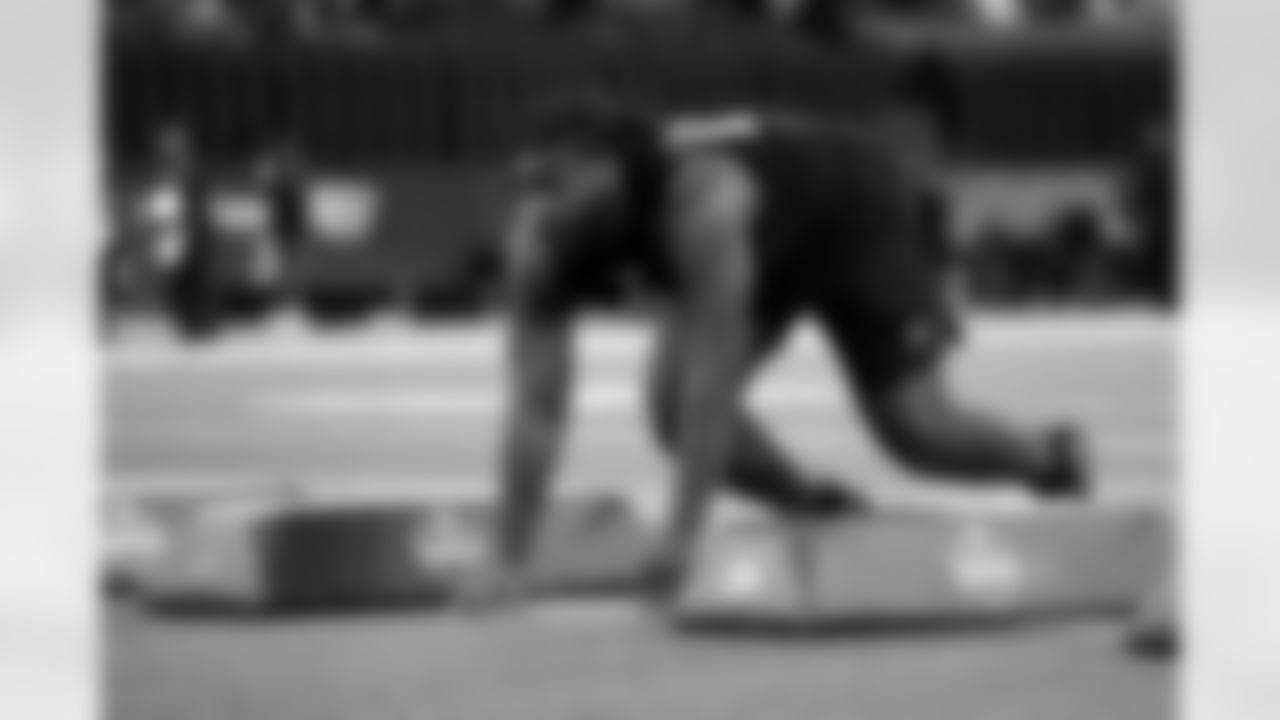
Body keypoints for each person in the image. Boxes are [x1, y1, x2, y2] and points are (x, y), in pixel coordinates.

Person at [474, 94, 1087, 607]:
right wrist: (508, 560)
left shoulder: (700, 205)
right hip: (764, 243)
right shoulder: (540, 244)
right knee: (666, 410)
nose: (541, 206)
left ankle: (1050, 457)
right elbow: (536, 412)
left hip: (850, 205)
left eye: (556, 185)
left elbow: (711, 387)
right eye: (530, 183)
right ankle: (812, 504)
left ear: (609, 172)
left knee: (916, 432)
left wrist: (681, 537)